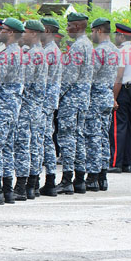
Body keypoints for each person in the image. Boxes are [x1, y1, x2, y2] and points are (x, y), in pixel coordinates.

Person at [0, 18, 25, 205]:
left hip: (2, 106)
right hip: (13, 106)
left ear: (10, 33)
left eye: (2, 29)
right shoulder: (18, 52)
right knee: (7, 148)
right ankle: (7, 190)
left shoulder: (7, 55)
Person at [54, 12, 93, 194]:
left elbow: (69, 77)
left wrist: (56, 96)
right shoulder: (88, 44)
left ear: (77, 26)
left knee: (67, 139)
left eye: (69, 26)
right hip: (82, 99)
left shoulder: (78, 46)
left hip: (72, 100)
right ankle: (79, 180)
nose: (67, 29)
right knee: (78, 138)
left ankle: (67, 180)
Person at [85, 18, 119, 191]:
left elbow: (91, 74)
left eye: (92, 31)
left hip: (97, 98)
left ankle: (92, 176)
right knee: (103, 137)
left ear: (98, 31)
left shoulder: (100, 51)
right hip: (107, 96)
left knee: (93, 138)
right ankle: (102, 176)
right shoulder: (115, 50)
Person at [14, 19, 48, 200]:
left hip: (27, 106)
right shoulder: (40, 52)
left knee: (23, 146)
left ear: (34, 33)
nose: (23, 35)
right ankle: (32, 185)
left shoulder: (33, 55)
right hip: (36, 106)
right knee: (34, 145)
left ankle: (21, 186)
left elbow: (23, 83)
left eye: (25, 31)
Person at [109, 23, 131, 174]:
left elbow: (119, 76)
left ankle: (115, 162)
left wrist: (114, 97)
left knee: (117, 128)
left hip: (123, 91)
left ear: (121, 36)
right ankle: (126, 162)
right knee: (128, 128)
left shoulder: (121, 52)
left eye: (116, 35)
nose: (115, 37)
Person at [38, 17, 62, 196]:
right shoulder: (51, 50)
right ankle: (50, 180)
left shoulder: (48, 52)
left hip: (44, 101)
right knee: (47, 140)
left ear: (46, 31)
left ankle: (48, 180)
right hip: (48, 101)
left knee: (44, 140)